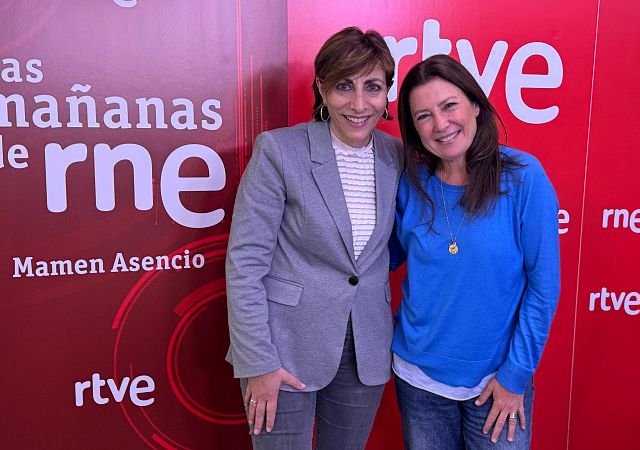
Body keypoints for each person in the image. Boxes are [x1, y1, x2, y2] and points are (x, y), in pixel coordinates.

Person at [225, 27, 402, 450]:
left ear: (386, 94)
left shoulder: (396, 156)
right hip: (283, 348)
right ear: (321, 88)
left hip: (366, 351)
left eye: (372, 87)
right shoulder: (280, 150)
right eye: (344, 85)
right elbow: (245, 262)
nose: (359, 104)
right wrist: (258, 362)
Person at [390, 54, 561, 449]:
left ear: (476, 105)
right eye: (423, 116)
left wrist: (516, 375)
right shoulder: (409, 184)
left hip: (497, 383)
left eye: (449, 105)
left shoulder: (523, 178)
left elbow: (543, 287)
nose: (441, 124)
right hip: (419, 382)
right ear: (414, 130)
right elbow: (377, 261)